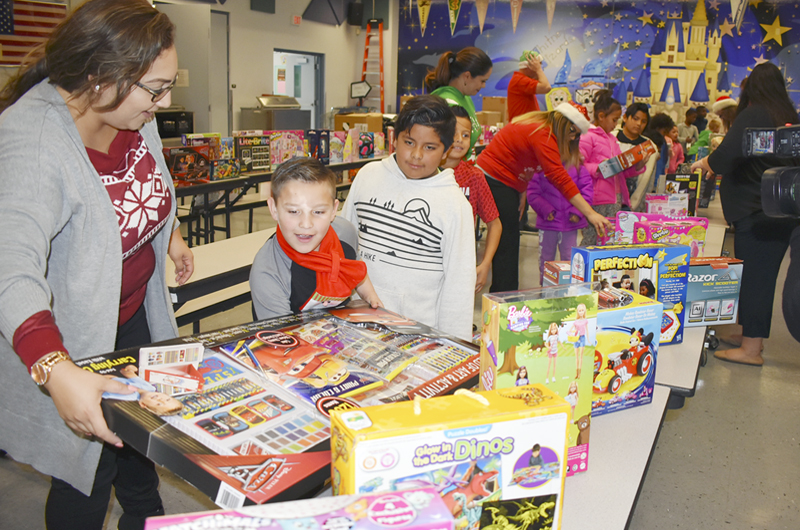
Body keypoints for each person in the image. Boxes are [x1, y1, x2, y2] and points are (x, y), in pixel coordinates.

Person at [0, 1, 194, 529]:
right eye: (156, 89)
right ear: (99, 77)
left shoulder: (132, 110)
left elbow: (151, 186)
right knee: (86, 467)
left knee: (139, 435)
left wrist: (168, 233)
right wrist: (54, 369)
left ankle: (146, 516)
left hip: (131, 315)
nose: (166, 101)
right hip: (69, 336)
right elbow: (9, 266)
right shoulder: (33, 140)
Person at [691, 62, 800, 366]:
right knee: (759, 276)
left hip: (758, 212)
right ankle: (748, 334)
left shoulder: (753, 114)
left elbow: (726, 155)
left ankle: (751, 349)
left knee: (755, 279)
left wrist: (705, 164)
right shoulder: (786, 116)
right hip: (777, 211)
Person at [342, 95, 476, 340]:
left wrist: (454, 345)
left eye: (429, 147)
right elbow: (343, 244)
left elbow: (459, 286)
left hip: (417, 334)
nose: (416, 155)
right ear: (394, 139)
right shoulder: (367, 176)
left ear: (446, 151)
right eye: (409, 142)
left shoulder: (455, 205)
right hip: (356, 322)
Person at [475, 102, 610, 292]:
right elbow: (559, 177)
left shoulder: (545, 132)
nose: (573, 138)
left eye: (577, 135)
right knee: (507, 240)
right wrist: (590, 213)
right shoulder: (543, 134)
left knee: (510, 239)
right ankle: (502, 296)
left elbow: (521, 159)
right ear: (565, 123)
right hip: (493, 178)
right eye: (573, 132)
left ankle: (504, 293)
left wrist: (521, 189)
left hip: (508, 181)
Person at [249, 158, 382, 320]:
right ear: (274, 209)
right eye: (293, 211)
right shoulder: (267, 271)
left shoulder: (346, 234)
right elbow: (280, 337)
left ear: (333, 210)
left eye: (318, 212)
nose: (306, 224)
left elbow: (355, 267)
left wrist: (370, 296)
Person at [440, 106, 502, 292]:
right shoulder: (423, 173)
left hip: (462, 266)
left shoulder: (474, 177)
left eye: (465, 135)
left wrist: (485, 264)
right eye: (453, 133)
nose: (459, 140)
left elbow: (495, 223)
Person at [580, 90, 651, 246]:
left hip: (615, 199)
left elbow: (621, 172)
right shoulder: (587, 136)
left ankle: (604, 268)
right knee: (591, 238)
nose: (616, 124)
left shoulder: (613, 140)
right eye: (614, 119)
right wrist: (598, 168)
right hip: (595, 200)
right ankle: (583, 266)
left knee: (610, 240)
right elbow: (578, 166)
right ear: (601, 116)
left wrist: (638, 165)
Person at [526, 152, 593, 286]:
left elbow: (587, 190)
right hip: (548, 224)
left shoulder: (578, 168)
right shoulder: (541, 167)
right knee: (545, 260)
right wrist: (546, 210)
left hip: (570, 224)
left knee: (569, 260)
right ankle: (545, 288)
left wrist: (577, 211)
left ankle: (568, 289)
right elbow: (532, 193)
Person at [426, 47, 493, 159]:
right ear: (467, 76)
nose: (483, 86)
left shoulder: (465, 98)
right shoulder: (446, 103)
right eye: (482, 81)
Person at [616, 102, 658, 211]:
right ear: (625, 118)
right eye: (635, 118)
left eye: (643, 121)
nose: (639, 124)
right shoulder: (612, 138)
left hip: (634, 204)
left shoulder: (649, 146)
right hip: (610, 198)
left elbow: (649, 179)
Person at [507, 50, 551, 121]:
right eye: (537, 66)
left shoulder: (521, 80)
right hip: (523, 129)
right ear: (530, 67)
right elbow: (546, 87)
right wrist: (538, 69)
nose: (540, 69)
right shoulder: (520, 80)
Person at [645, 113, 677, 191]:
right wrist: (657, 186)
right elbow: (659, 166)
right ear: (657, 128)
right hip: (654, 183)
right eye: (664, 131)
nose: (665, 134)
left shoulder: (662, 141)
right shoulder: (656, 142)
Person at [569, 303, 589, 379]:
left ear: (584, 311)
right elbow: (571, 329)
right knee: (576, 357)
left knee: (581, 356)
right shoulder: (576, 321)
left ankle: (579, 374)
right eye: (579, 311)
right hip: (576, 338)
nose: (581, 312)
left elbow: (587, 330)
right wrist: (574, 331)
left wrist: (589, 340)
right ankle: (576, 374)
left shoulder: (585, 321)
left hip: (582, 338)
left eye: (582, 310)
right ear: (577, 311)